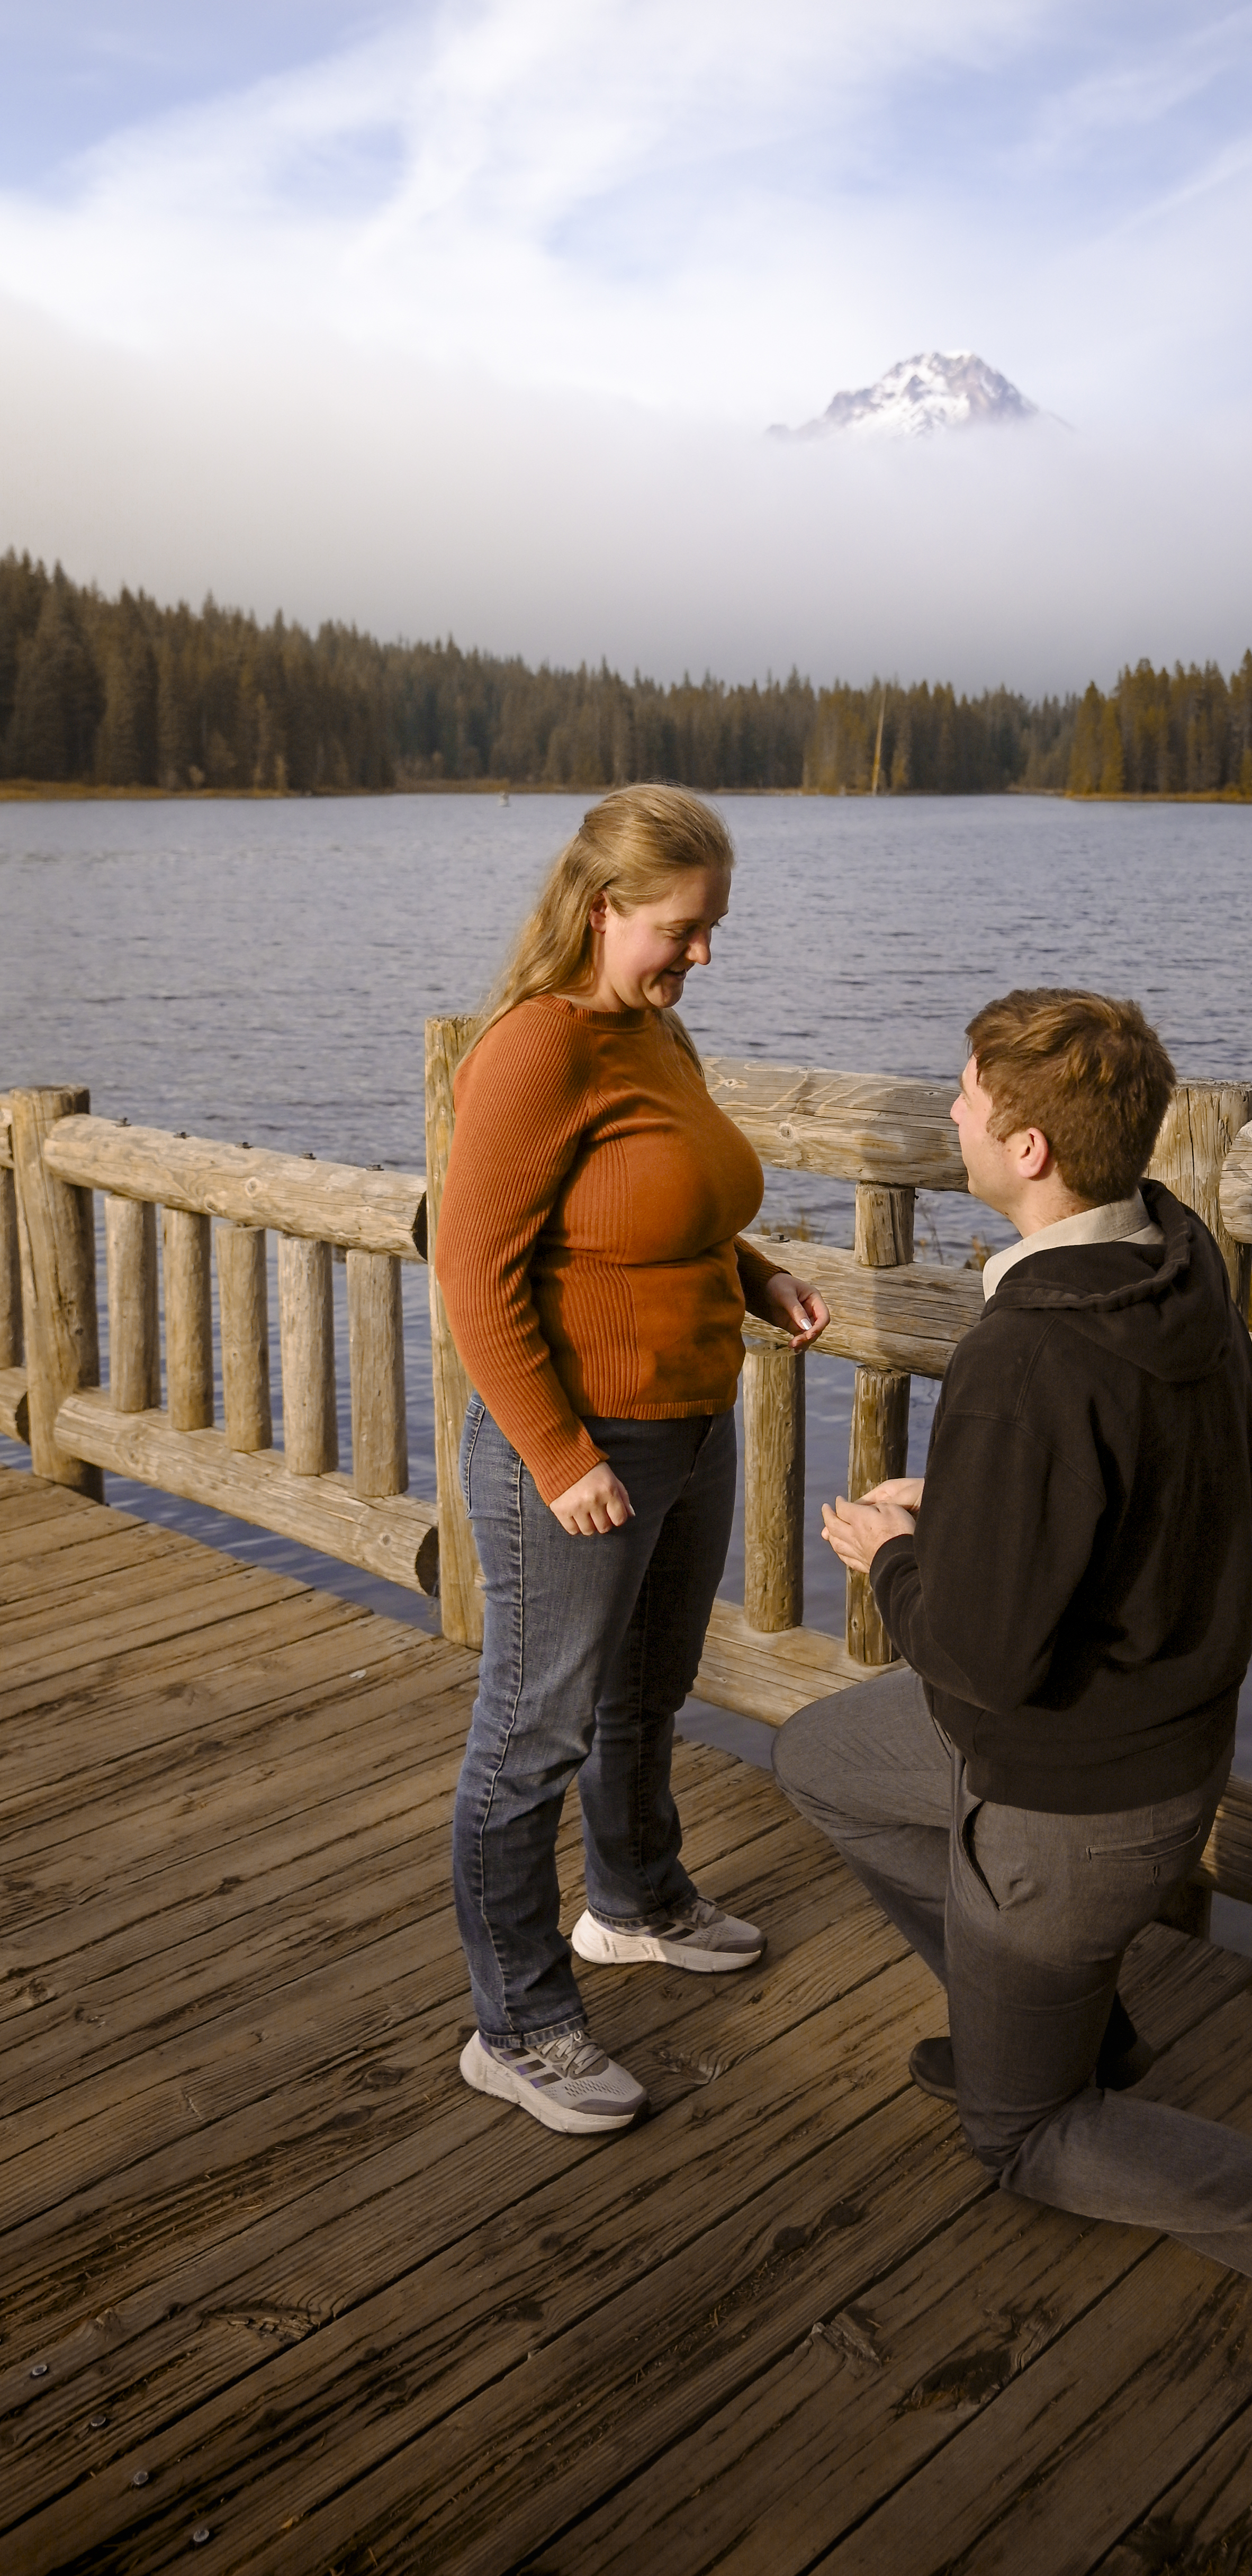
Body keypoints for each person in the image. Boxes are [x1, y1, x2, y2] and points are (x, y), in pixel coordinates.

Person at [776, 988, 1252, 2330]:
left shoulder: (1024, 1353)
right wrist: (976, 1506)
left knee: (1020, 2141)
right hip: (1161, 1756)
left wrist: (891, 1554)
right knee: (816, 1756)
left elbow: (979, 1659)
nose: (951, 1112)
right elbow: (1120, 1484)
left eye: (966, 1097)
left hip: (1064, 1803)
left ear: (1030, 1151)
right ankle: (1062, 2023)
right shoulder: (1174, 1258)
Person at [436, 785, 827, 2139]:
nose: (701, 955)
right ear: (603, 911)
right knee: (528, 1738)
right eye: (684, 928)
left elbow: (678, 1206)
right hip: (582, 1451)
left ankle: (636, 1902)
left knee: (648, 1692)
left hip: (691, 1422)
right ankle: (520, 2025)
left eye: (713, 928)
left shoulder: (656, 1033)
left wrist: (757, 1274)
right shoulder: (531, 1053)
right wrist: (555, 1457)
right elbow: (472, 1279)